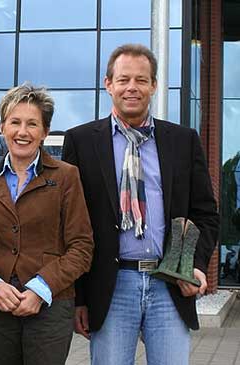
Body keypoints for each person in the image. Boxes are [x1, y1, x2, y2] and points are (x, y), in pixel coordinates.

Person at [62, 44, 220, 365]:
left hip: (169, 285)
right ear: (108, 84)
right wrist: (79, 298)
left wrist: (195, 266)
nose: (131, 87)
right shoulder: (81, 141)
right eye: (123, 80)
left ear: (154, 85)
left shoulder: (183, 140)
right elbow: (71, 224)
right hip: (111, 286)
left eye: (140, 80)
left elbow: (205, 214)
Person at [0, 83, 94, 365]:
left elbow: (81, 247)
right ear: (2, 127)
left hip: (51, 305)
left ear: (44, 132)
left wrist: (41, 289)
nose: (22, 132)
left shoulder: (67, 177)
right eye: (15, 122)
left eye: (32, 124)